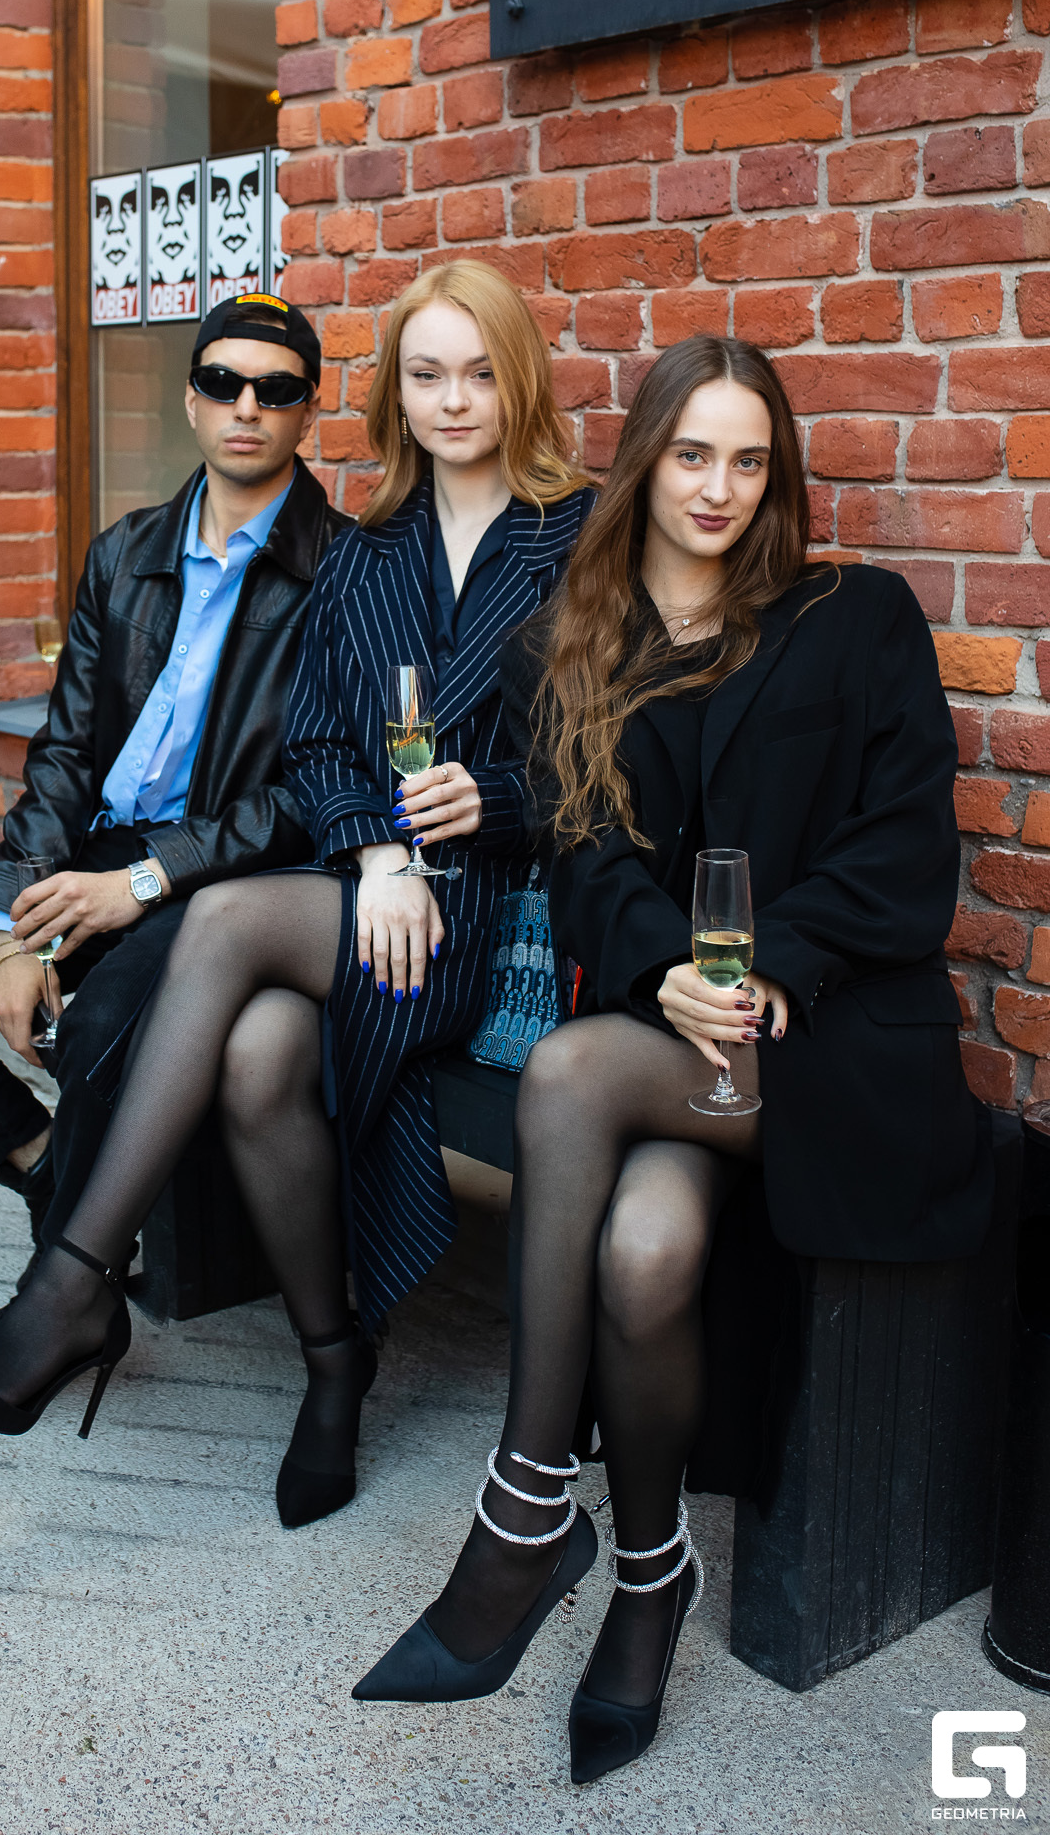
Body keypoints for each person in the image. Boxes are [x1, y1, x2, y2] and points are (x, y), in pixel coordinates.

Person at [354, 334, 992, 1783]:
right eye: (692, 454)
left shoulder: (853, 617)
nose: (719, 488)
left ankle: (524, 1509)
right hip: (676, 1041)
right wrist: (663, 972)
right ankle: (650, 1579)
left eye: (749, 460)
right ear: (645, 460)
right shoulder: (563, 646)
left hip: (833, 1048)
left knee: (568, 1073)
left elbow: (904, 855)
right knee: (643, 1253)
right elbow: (585, 865)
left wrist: (761, 971)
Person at [0, 259, 597, 1531]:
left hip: (499, 920)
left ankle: (66, 1293)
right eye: (426, 374)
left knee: (220, 918)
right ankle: (334, 1366)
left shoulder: (580, 535)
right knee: (257, 1052)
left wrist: (492, 801)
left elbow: (618, 756)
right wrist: (376, 852)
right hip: (367, 896)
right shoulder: (367, 552)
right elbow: (320, 747)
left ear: (521, 382)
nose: (453, 400)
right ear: (393, 392)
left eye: (479, 373)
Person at [0, 294, 347, 1397]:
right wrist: (11, 918)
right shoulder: (127, 551)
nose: (246, 407)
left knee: (97, 1029)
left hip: (217, 879)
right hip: (92, 848)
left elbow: (314, 796)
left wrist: (145, 880)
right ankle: (52, 1173)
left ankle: (56, 1308)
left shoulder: (346, 572)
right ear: (190, 399)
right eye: (224, 382)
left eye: (276, 389)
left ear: (307, 411)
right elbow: (63, 754)